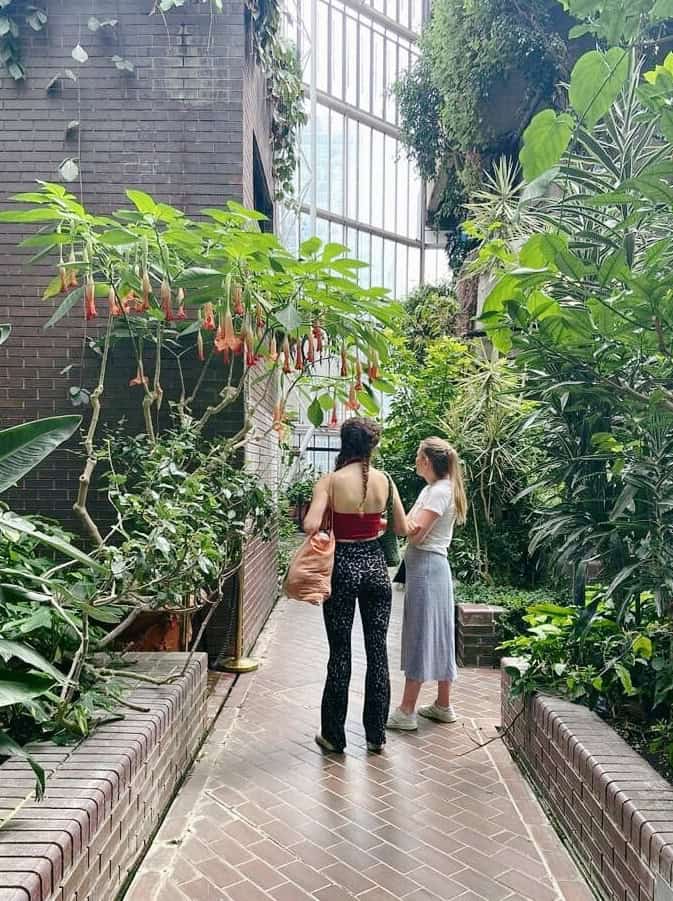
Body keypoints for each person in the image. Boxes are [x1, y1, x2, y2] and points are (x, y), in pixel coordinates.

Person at [303, 418, 408, 754]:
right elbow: (402, 528)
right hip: (376, 568)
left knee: (341, 652)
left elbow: (309, 525)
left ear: (343, 444)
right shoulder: (386, 480)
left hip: (343, 568)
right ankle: (376, 735)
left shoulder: (330, 481)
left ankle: (334, 736)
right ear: (372, 446)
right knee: (377, 652)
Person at [386, 437, 467, 731]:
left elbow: (415, 534)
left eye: (418, 456)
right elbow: (411, 526)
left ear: (427, 461)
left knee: (421, 633)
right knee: (440, 633)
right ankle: (443, 705)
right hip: (430, 568)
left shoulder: (438, 492)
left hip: (428, 568)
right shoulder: (435, 489)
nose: (415, 460)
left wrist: (397, 517)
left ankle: (407, 710)